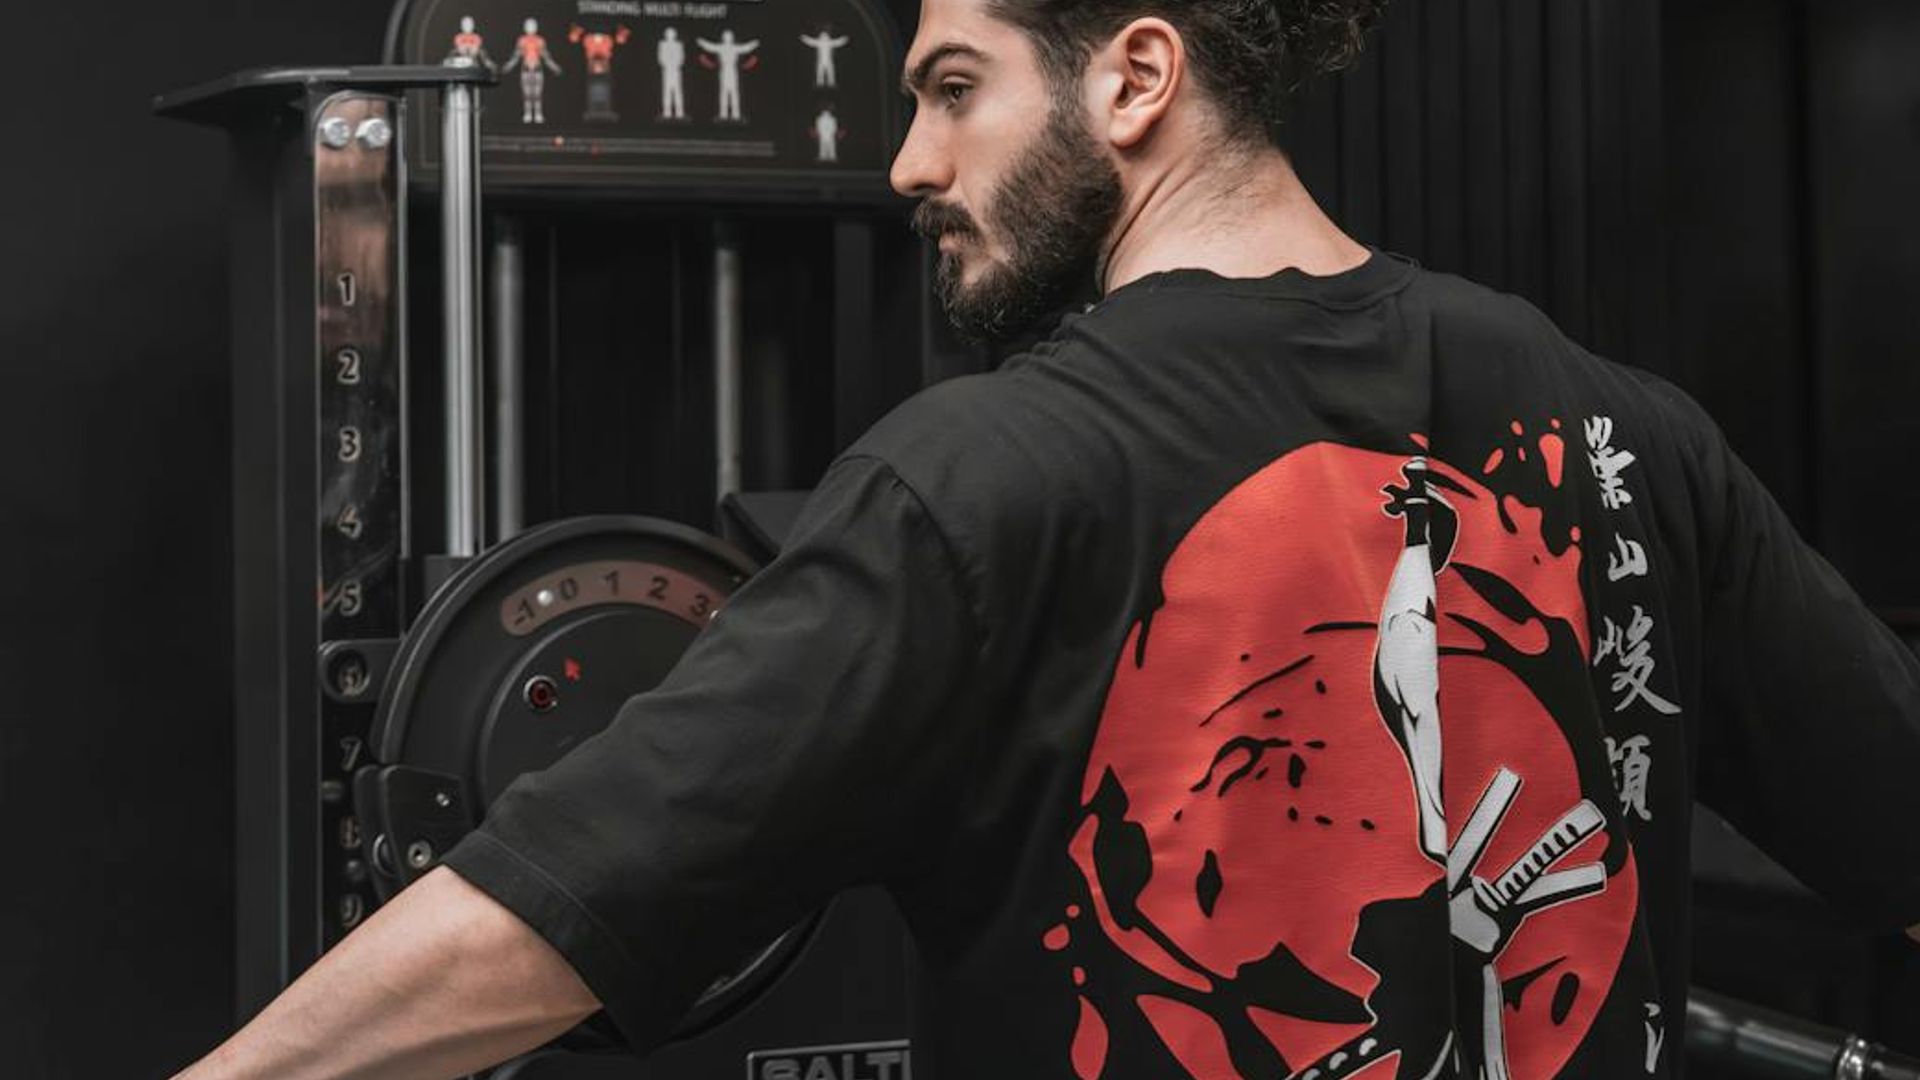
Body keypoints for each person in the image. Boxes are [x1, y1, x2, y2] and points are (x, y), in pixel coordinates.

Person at [177, 0, 1920, 1075]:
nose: (908, 163)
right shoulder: (1632, 435)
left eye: (953, 87)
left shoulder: (981, 477)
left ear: (1134, 79)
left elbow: (544, 914)